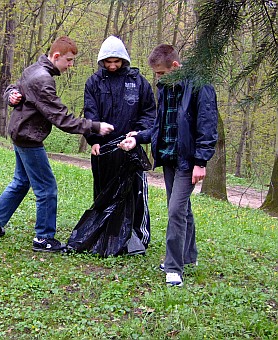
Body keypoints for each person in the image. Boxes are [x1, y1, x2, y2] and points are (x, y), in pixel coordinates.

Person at [0, 36, 114, 252]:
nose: (71, 65)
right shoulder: (43, 79)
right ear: (56, 56)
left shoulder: (34, 69)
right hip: (28, 138)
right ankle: (44, 238)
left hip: (19, 133)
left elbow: (15, 88)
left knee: (21, 181)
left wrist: (11, 94)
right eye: (68, 60)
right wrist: (95, 127)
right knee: (47, 188)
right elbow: (62, 119)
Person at [118, 44, 218, 286]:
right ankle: (189, 255)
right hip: (169, 157)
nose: (158, 78)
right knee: (182, 208)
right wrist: (139, 137)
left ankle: (174, 267)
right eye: (156, 74)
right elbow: (161, 126)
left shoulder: (200, 86)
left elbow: (207, 125)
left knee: (175, 211)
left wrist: (201, 161)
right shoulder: (164, 89)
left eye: (161, 73)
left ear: (175, 66)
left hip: (188, 161)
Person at [82, 35, 155, 253]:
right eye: (108, 62)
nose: (112, 66)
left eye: (117, 61)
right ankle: (106, 232)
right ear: (102, 61)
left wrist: (138, 132)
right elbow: (90, 113)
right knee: (104, 191)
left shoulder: (139, 82)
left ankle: (137, 235)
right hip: (103, 150)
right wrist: (93, 140)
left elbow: (149, 112)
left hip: (131, 146)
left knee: (135, 192)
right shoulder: (94, 82)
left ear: (124, 59)